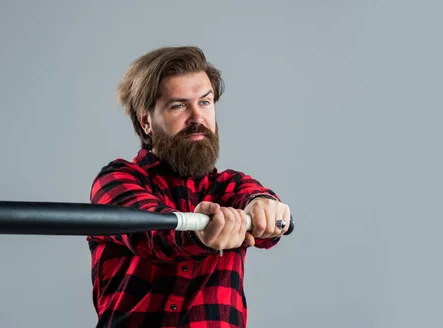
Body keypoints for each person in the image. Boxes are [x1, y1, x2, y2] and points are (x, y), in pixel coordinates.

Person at [86, 46, 293, 328]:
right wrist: (201, 236)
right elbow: (154, 235)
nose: (197, 117)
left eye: (205, 103)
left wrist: (265, 208)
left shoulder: (230, 186)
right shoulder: (117, 181)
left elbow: (265, 216)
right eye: (179, 105)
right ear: (146, 121)